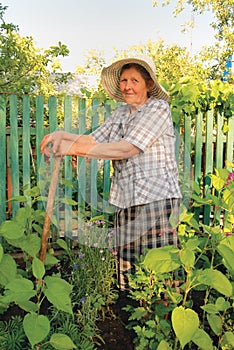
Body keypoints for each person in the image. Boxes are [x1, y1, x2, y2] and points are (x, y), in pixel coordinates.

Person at [40, 55, 182, 291]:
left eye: (134, 80)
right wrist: (62, 136)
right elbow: (93, 139)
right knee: (128, 258)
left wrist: (75, 149)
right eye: (124, 80)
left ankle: (164, 312)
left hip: (157, 197)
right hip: (127, 198)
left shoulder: (158, 108)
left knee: (160, 262)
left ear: (148, 84)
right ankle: (134, 313)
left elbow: (128, 147)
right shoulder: (120, 114)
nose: (127, 86)